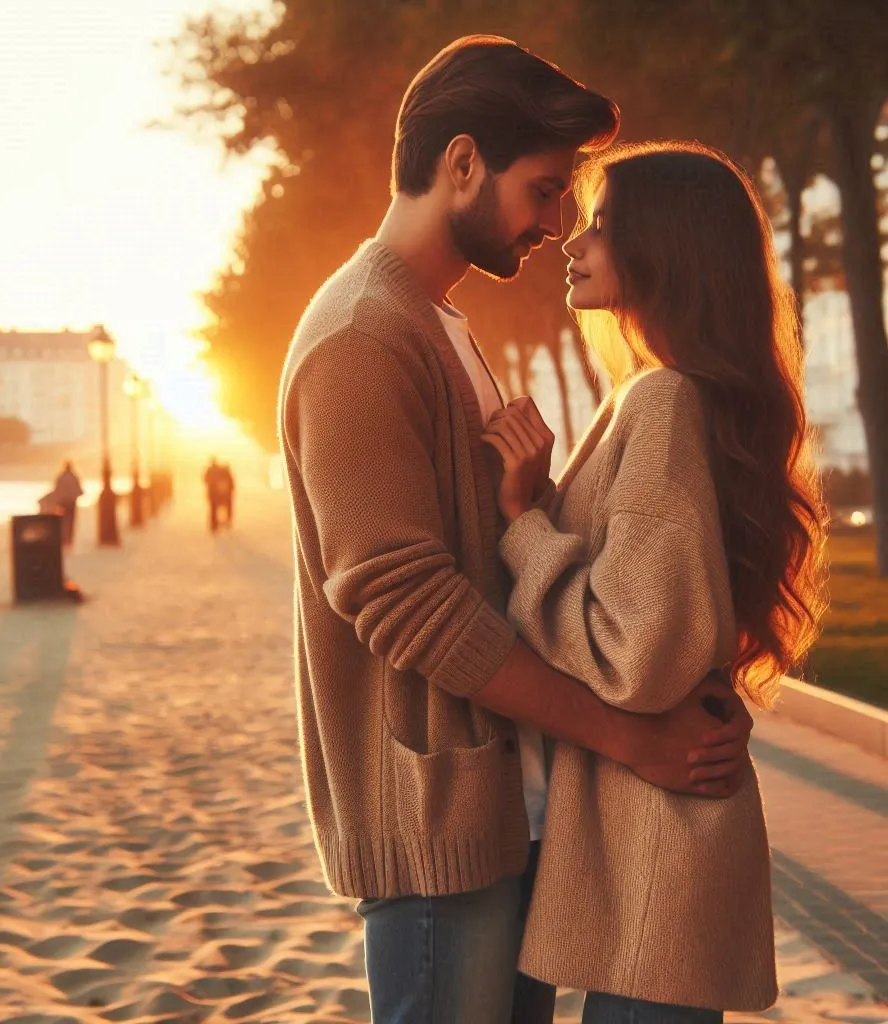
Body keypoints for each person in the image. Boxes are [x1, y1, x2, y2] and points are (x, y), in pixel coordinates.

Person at [278, 37, 755, 1024]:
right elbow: (407, 603)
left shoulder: (437, 323)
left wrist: (693, 689)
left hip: (512, 814)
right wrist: (635, 737)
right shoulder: (362, 335)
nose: (556, 221)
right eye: (543, 190)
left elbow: (558, 572)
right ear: (460, 164)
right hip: (437, 825)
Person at [482, 142, 828, 1020]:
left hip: (658, 853)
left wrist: (524, 524)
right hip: (658, 840)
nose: (573, 241)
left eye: (603, 223)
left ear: (666, 246)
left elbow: (635, 649)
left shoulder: (665, 399)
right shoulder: (656, 391)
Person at [52, 461, 84, 547]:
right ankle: (69, 539)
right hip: (71, 502)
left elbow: (56, 491)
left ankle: (64, 538)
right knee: (71, 521)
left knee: (63, 521)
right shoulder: (74, 477)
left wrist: (57, 501)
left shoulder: (60, 477)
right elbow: (80, 491)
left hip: (62, 503)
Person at [204, 457, 235, 532]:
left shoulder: (210, 470)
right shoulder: (223, 471)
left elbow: (205, 479)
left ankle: (214, 524)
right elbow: (231, 483)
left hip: (212, 493)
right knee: (227, 507)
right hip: (223, 493)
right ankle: (227, 520)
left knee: (213, 509)